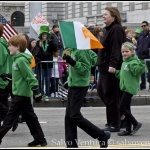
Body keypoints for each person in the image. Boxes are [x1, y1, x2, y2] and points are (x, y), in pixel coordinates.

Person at [0, 35, 47, 147]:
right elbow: (20, 77)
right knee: (31, 118)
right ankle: (40, 139)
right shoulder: (16, 60)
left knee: (9, 119)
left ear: (18, 47)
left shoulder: (21, 60)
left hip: (21, 95)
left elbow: (30, 77)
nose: (8, 47)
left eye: (10, 45)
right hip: (22, 94)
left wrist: (37, 91)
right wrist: (8, 76)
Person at [63, 48, 111, 148]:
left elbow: (84, 69)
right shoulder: (73, 49)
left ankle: (102, 135)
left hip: (79, 86)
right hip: (74, 85)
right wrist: (69, 80)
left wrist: (72, 62)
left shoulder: (81, 51)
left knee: (74, 115)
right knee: (69, 117)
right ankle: (71, 144)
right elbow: (94, 59)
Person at [97, 7, 126, 132]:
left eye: (105, 14)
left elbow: (116, 48)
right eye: (103, 15)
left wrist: (113, 65)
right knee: (103, 93)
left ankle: (115, 123)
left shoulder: (117, 29)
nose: (103, 16)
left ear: (113, 16)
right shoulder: (106, 29)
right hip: (103, 67)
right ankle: (120, 118)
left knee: (111, 96)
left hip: (111, 68)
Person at [115, 42, 145, 136]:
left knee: (122, 108)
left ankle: (135, 123)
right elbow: (122, 75)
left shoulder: (133, 62)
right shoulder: (125, 62)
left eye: (126, 51)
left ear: (132, 52)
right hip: (124, 88)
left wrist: (141, 65)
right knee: (127, 108)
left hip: (129, 88)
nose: (124, 53)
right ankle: (128, 130)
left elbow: (137, 72)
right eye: (123, 52)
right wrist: (116, 72)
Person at [36, 25, 57, 99]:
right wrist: (39, 46)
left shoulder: (50, 42)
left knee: (48, 79)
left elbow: (55, 48)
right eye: (43, 34)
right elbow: (37, 53)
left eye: (45, 34)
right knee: (41, 80)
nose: (44, 36)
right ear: (41, 35)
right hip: (41, 65)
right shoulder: (38, 42)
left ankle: (47, 94)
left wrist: (53, 37)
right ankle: (41, 93)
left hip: (48, 64)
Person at [136, 21, 150, 90]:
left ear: (148, 26)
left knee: (149, 71)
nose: (143, 27)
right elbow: (138, 44)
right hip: (140, 56)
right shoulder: (140, 35)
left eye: (144, 26)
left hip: (148, 56)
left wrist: (147, 50)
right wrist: (137, 51)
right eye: (142, 26)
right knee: (142, 71)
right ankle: (143, 86)